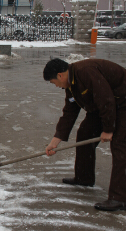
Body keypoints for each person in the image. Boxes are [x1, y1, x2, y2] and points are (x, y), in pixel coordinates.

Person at [43, 58, 126, 211]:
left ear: (60, 75)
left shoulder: (86, 72)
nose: (56, 86)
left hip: (122, 103)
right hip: (103, 107)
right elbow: (70, 111)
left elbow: (106, 99)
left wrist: (108, 129)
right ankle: (84, 178)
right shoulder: (71, 84)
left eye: (54, 82)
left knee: (120, 147)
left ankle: (119, 198)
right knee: (85, 134)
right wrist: (56, 139)